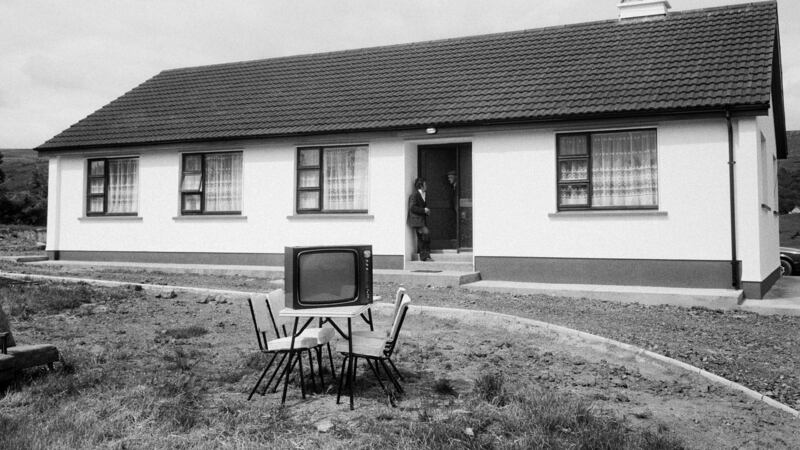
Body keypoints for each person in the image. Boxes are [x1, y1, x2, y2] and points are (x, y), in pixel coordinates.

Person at [407, 177, 432, 261]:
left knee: (422, 237)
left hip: (421, 220)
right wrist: (424, 210)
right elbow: (412, 207)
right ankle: (424, 255)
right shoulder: (414, 195)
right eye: (425, 184)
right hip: (416, 220)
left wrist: (426, 211)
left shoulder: (423, 194)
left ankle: (425, 256)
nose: (427, 186)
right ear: (421, 186)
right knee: (426, 234)